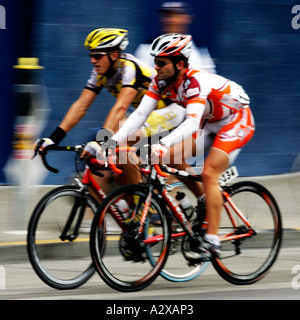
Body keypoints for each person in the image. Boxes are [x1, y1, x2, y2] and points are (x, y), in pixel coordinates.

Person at [101, 33, 255, 261]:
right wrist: (112, 143)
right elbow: (140, 114)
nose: (156, 67)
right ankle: (204, 200)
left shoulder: (195, 82)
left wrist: (161, 144)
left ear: (180, 64)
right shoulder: (160, 81)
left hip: (235, 121)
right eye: (155, 61)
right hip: (209, 123)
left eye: (161, 62)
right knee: (168, 158)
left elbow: (191, 122)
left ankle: (212, 242)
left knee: (209, 172)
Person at [35, 28, 185, 190]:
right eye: (91, 55)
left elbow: (120, 107)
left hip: (171, 110)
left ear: (114, 55)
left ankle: (142, 203)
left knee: (123, 136)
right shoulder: (99, 73)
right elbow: (81, 106)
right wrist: (53, 138)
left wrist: (101, 141)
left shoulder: (130, 69)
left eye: (97, 56)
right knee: (118, 169)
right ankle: (132, 200)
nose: (93, 60)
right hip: (148, 114)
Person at [135, 1, 216, 73]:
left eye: (174, 15)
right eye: (165, 16)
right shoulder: (147, 46)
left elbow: (210, 78)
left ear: (187, 18)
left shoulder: (199, 47)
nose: (168, 20)